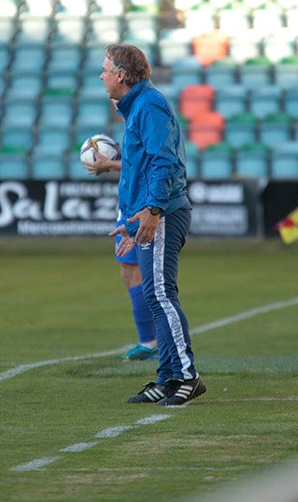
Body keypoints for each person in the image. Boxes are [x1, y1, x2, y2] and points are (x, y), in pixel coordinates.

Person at [100, 43, 204, 406]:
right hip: (145, 215)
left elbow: (165, 162)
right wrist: (131, 222)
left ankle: (187, 376)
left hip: (161, 213)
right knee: (154, 295)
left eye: (106, 70)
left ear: (122, 76)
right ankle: (168, 377)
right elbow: (140, 167)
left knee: (160, 294)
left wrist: (154, 209)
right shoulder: (139, 107)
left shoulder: (149, 105)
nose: (102, 76)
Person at [82, 151, 158, 361]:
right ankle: (152, 340)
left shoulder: (143, 119)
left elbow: (147, 164)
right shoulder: (136, 121)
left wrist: (110, 164)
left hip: (140, 206)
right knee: (130, 274)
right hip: (131, 204)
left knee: (136, 274)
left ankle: (150, 342)